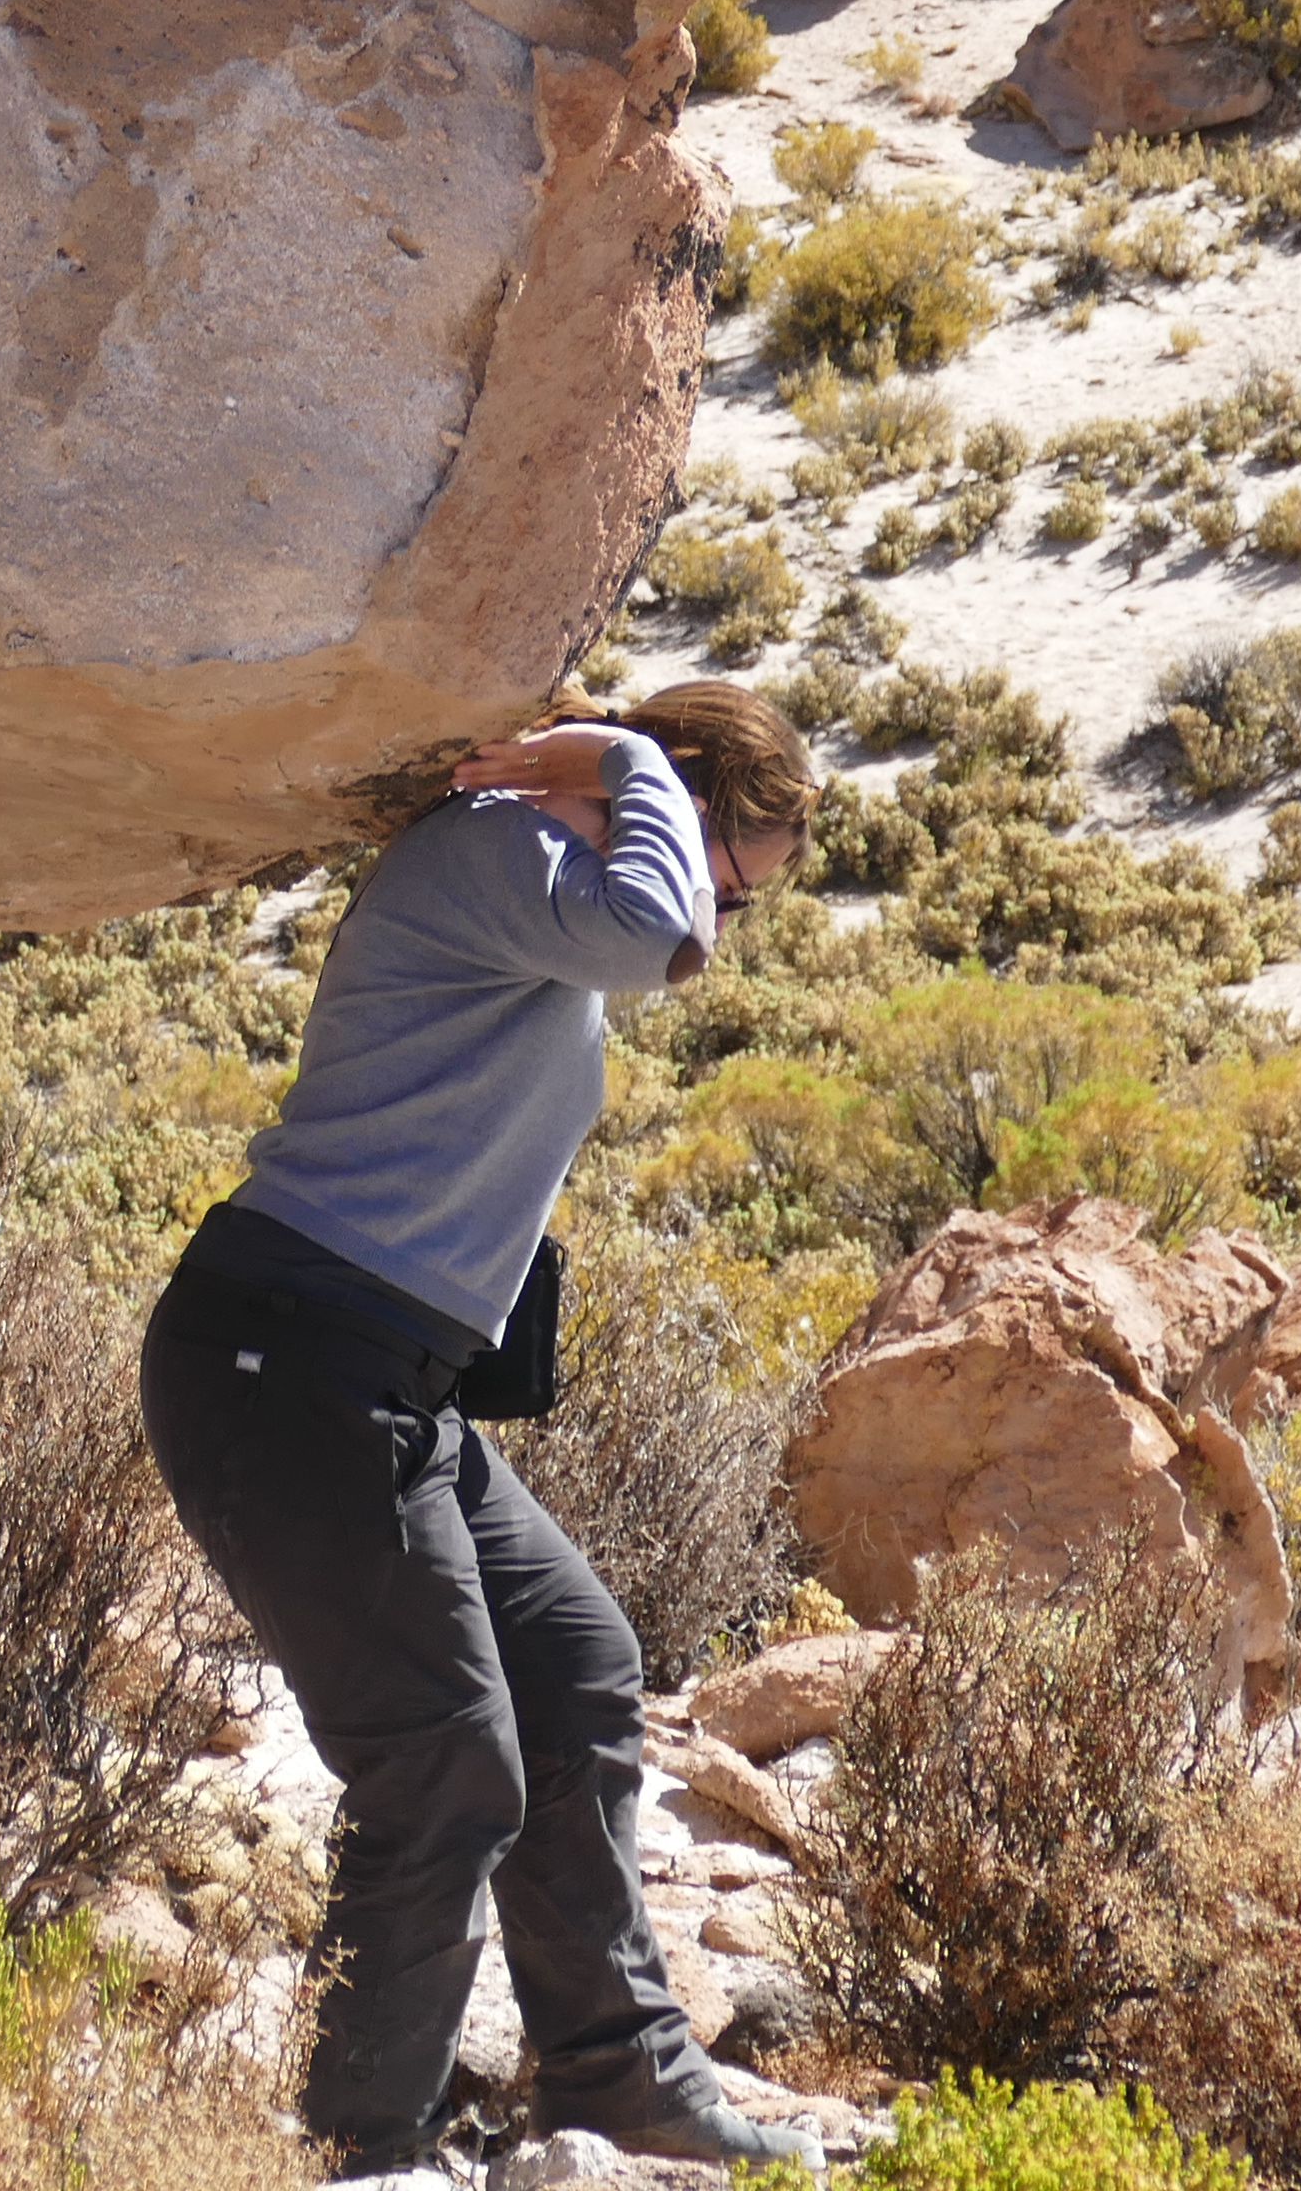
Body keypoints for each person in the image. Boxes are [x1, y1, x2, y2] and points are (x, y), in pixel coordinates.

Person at [137, 680, 824, 2181]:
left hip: (380, 1377)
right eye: (727, 868)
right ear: (659, 798)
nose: (723, 916)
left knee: (575, 1668)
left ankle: (615, 2075)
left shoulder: (543, 890)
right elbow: (660, 937)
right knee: (446, 1763)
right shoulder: (500, 849)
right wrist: (628, 760)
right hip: (286, 1359)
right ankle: (359, 2143)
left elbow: (656, 927)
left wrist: (635, 796)